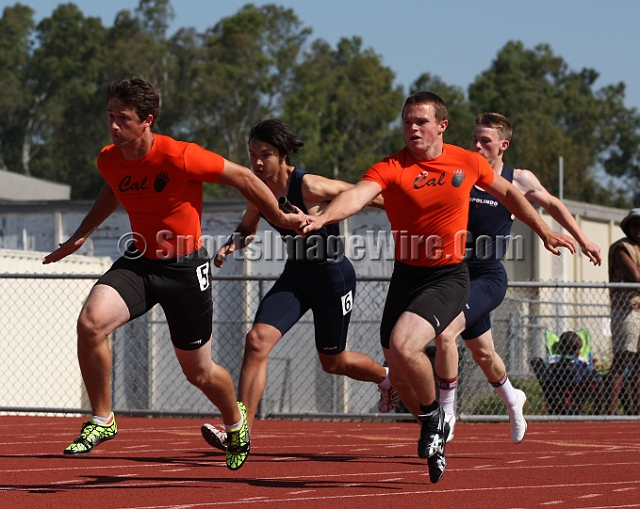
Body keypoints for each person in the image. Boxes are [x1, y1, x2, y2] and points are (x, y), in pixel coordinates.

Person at [300, 92, 576, 484]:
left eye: (421, 122)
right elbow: (357, 196)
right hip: (406, 275)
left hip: (448, 275)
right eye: (407, 121)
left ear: (441, 126)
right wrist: (323, 216)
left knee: (406, 344)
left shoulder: (467, 161)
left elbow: (512, 194)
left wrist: (546, 231)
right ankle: (432, 423)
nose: (413, 128)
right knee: (397, 366)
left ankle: (436, 419)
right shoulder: (392, 166)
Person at [42, 76, 306, 471]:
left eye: (124, 118)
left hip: (185, 269)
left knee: (198, 372)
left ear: (148, 120)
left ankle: (236, 422)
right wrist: (81, 235)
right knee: (90, 323)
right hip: (141, 262)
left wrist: (280, 214)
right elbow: (113, 189)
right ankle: (102, 418)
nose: (114, 126)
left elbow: (246, 178)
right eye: (110, 116)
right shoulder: (108, 158)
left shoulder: (183, 156)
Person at [200, 119, 399, 450]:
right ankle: (239, 428)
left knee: (332, 362)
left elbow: (368, 196)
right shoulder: (257, 188)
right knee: (256, 341)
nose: (257, 162)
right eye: (252, 154)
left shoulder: (309, 185)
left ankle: (387, 378)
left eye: (265, 155)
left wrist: (413, 214)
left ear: (282, 155)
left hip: (333, 276)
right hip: (296, 276)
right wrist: (231, 245)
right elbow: (249, 225)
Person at [433, 112, 602, 443]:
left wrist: (582, 239)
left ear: (503, 146)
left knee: (445, 333)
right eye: (474, 140)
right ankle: (513, 399)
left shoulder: (518, 179)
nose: (477, 146)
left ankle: (447, 412)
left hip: (488, 275)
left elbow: (552, 204)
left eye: (485, 142)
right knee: (484, 354)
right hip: (454, 273)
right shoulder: (460, 171)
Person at [605, 208, 640, 415]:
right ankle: (609, 413)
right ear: (627, 228)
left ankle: (637, 413)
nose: (639, 229)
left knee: (638, 366)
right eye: (634, 225)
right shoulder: (622, 247)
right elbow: (635, 276)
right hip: (627, 311)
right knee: (622, 361)